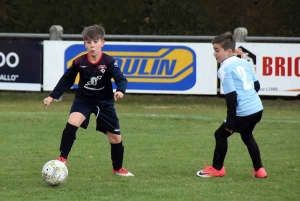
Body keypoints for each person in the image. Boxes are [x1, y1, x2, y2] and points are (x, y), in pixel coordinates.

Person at [43, 24, 133, 176]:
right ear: (84, 44)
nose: (92, 46)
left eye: (95, 42)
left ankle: (117, 169)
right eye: (89, 42)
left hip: (104, 102)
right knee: (72, 122)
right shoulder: (79, 62)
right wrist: (52, 96)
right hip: (84, 99)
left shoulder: (109, 62)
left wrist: (120, 90)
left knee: (116, 138)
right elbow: (67, 79)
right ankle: (62, 158)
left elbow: (121, 79)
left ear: (102, 43)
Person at [196, 32, 267, 178]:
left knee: (220, 135)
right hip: (257, 109)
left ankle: (217, 169)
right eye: (214, 50)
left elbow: (231, 98)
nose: (214, 54)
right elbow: (257, 86)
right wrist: (250, 99)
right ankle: (260, 170)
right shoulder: (245, 62)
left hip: (244, 112)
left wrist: (231, 121)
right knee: (247, 135)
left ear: (229, 51)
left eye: (217, 50)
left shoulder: (224, 69)